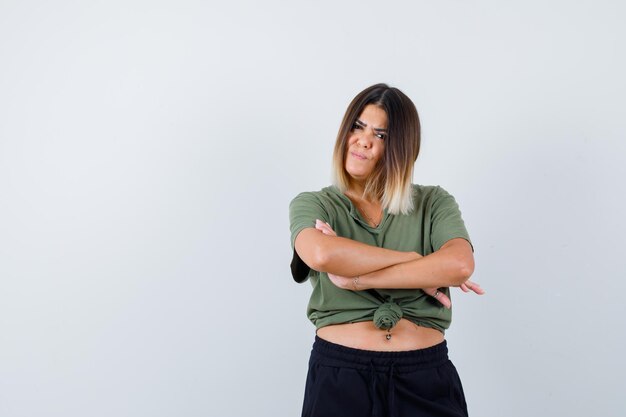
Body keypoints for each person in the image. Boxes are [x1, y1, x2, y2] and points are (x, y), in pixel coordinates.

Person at [288, 83, 485, 417]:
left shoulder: (434, 202)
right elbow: (321, 254)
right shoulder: (315, 203)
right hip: (341, 377)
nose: (364, 140)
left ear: (402, 148)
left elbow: (459, 264)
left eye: (380, 135)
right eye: (357, 126)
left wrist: (356, 280)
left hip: (424, 377)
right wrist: (417, 263)